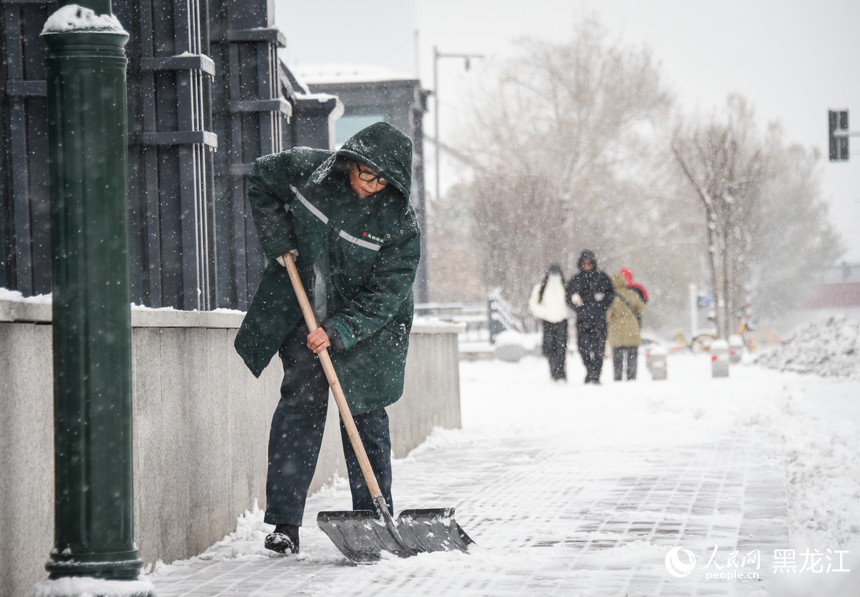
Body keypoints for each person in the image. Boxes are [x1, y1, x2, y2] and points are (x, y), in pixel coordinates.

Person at [233, 122, 420, 555]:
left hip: (368, 330)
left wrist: (339, 331)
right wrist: (279, 240)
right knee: (299, 409)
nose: (372, 186)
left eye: (382, 180)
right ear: (352, 161)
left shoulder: (400, 224)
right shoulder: (309, 171)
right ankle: (284, 524)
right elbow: (260, 177)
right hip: (303, 308)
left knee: (364, 415)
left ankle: (375, 518)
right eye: (366, 174)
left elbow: (386, 294)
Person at [565, 250, 614, 384]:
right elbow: (569, 297)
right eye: (584, 263)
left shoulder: (602, 278)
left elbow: (610, 294)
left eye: (589, 263)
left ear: (593, 263)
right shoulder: (576, 280)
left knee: (599, 349)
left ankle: (596, 374)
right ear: (580, 264)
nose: (587, 266)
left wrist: (601, 307)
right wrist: (579, 309)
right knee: (583, 348)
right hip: (582, 321)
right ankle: (590, 370)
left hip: (599, 320)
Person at [528, 263, 571, 381]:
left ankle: (561, 373)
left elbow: (571, 302)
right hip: (548, 321)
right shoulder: (541, 287)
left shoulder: (565, 287)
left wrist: (566, 312)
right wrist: (544, 313)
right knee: (549, 348)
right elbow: (533, 303)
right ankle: (554, 371)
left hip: (562, 321)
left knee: (561, 348)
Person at [606, 271, 646, 381]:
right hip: (632, 329)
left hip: (617, 330)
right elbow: (642, 308)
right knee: (632, 355)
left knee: (617, 357)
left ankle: (618, 378)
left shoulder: (612, 298)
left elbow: (608, 315)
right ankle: (631, 377)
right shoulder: (632, 294)